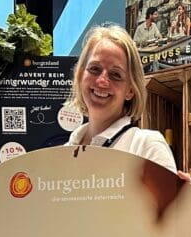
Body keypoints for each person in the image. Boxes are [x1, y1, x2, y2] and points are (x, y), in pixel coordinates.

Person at [65, 25, 177, 174]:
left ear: (130, 90)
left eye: (115, 75)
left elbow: (169, 198)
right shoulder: (64, 152)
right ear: (80, 75)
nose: (102, 81)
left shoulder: (146, 146)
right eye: (94, 69)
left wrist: (187, 197)